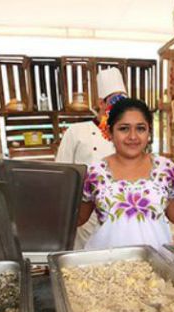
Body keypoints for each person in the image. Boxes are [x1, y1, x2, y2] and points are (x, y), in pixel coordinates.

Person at [77, 98, 174, 254]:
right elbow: (78, 218)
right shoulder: (95, 172)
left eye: (140, 128)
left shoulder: (165, 169)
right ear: (110, 132)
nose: (133, 136)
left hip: (158, 264)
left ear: (149, 132)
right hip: (106, 265)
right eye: (124, 129)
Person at [56, 68, 127, 249]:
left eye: (123, 100)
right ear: (101, 103)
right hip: (85, 210)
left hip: (117, 209)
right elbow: (62, 173)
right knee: (84, 256)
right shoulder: (76, 131)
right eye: (115, 100)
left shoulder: (126, 134)